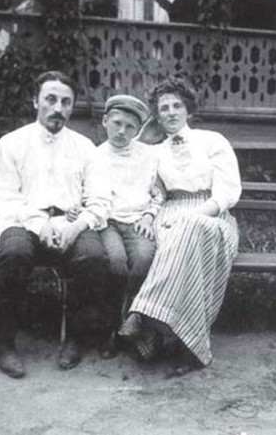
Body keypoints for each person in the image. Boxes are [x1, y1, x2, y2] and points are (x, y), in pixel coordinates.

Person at [0, 70, 111, 378]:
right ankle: (4, 343)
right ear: (35, 101)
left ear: (72, 107)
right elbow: (4, 197)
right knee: (13, 254)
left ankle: (76, 338)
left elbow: (99, 200)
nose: (58, 108)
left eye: (66, 102)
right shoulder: (12, 143)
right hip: (23, 221)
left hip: (71, 223)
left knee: (93, 257)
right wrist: (40, 225)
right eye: (50, 99)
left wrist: (74, 227)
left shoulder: (85, 148)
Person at [118, 76, 241, 377]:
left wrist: (194, 215)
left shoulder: (213, 141)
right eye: (164, 108)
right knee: (171, 237)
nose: (171, 112)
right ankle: (175, 341)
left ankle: (142, 313)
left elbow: (228, 191)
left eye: (177, 106)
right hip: (168, 212)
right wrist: (144, 135)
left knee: (189, 229)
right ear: (157, 116)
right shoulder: (154, 151)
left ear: (188, 109)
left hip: (212, 215)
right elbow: (141, 180)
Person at [95, 94, 165, 357]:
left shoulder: (147, 156)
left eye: (130, 127)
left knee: (144, 258)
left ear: (137, 130)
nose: (122, 131)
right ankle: (110, 328)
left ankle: (133, 322)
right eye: (117, 123)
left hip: (138, 220)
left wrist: (149, 216)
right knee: (116, 262)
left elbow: (158, 194)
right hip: (107, 222)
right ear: (105, 121)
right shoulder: (94, 156)